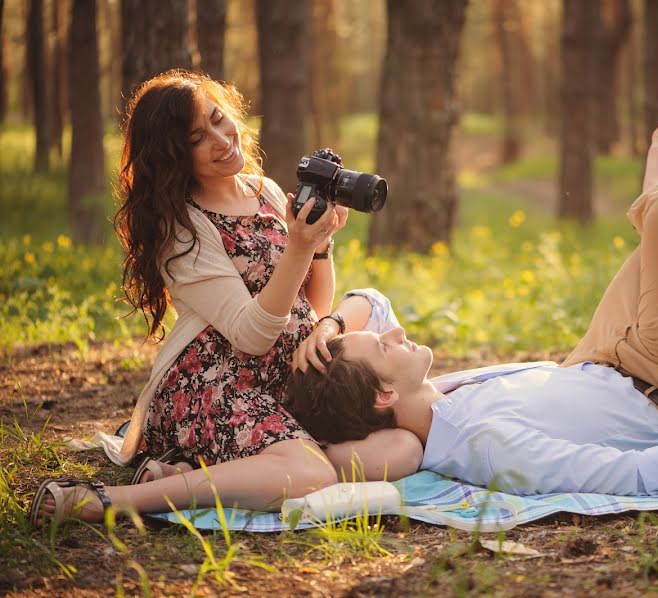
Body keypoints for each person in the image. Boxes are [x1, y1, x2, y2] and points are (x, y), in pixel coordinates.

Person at [287, 126, 658, 496]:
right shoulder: (487, 447)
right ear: (384, 394)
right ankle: (656, 198)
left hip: (600, 359)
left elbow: (373, 303)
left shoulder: (427, 402)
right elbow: (629, 474)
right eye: (383, 346)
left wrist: (329, 324)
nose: (396, 333)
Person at [29, 71, 420, 528]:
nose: (221, 139)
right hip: (214, 383)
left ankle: (212, 471)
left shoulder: (266, 192)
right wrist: (297, 248)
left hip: (286, 378)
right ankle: (115, 500)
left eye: (219, 119)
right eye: (198, 137)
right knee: (312, 472)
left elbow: (310, 306)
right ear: (174, 157)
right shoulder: (182, 230)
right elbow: (250, 335)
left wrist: (320, 245)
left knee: (396, 449)